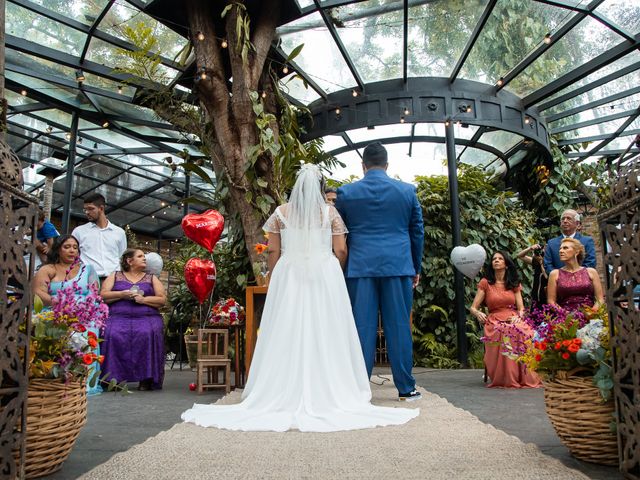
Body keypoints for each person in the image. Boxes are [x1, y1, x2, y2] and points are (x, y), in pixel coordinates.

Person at [181, 164, 419, 432]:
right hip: (324, 274)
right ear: (320, 188)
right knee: (326, 330)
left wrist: (273, 275)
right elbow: (340, 250)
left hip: (290, 273)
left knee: (286, 329)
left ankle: (280, 387)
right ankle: (331, 387)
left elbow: (273, 250)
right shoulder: (330, 213)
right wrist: (333, 269)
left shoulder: (281, 213)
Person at [335, 142, 424, 402]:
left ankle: (359, 389)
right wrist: (415, 266)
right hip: (398, 265)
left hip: (360, 266)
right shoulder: (407, 191)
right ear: (387, 165)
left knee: (361, 326)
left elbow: (339, 235)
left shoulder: (346, 193)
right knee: (399, 326)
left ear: (362, 166)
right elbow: (417, 232)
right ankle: (406, 389)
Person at [32, 235, 103, 395]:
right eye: (67, 247)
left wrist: (82, 310)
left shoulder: (87, 270)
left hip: (83, 317)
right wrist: (60, 305)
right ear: (58, 249)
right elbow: (38, 292)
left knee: (88, 329)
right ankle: (59, 383)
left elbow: (95, 294)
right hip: (55, 313)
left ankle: (84, 381)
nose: (72, 250)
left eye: (75, 247)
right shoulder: (47, 269)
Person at [470, 251, 541, 389]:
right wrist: (477, 313)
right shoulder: (486, 283)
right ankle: (507, 377)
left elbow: (521, 308)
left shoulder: (513, 283)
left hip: (512, 317)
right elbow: (473, 307)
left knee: (524, 332)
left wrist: (518, 317)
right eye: (494, 259)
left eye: (500, 258)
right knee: (505, 332)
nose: (496, 260)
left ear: (506, 264)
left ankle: (523, 376)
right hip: (494, 320)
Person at [100, 249, 166, 390]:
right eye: (140, 256)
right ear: (129, 261)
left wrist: (144, 299)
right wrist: (121, 294)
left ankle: (146, 378)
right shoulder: (115, 275)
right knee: (112, 333)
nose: (144, 259)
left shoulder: (151, 278)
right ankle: (113, 379)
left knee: (146, 332)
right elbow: (103, 295)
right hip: (118, 316)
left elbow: (162, 299)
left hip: (146, 316)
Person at [72, 193, 127, 283]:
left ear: (101, 208)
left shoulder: (119, 232)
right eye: (85, 209)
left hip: (115, 281)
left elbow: (121, 257)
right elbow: (74, 257)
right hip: (88, 280)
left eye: (90, 209)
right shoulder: (79, 231)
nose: (87, 212)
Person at [547, 238, 604, 311]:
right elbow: (551, 302)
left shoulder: (591, 272)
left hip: (591, 316)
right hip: (565, 318)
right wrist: (567, 315)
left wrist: (591, 313)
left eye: (565, 248)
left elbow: (600, 300)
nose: (561, 251)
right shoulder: (555, 274)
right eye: (560, 249)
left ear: (576, 252)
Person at [543, 209, 596, 274]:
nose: (565, 221)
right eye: (563, 219)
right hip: (558, 282)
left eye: (569, 218)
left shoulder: (587, 241)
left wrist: (576, 278)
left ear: (577, 224)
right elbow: (548, 265)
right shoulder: (551, 243)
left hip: (581, 281)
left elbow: (590, 262)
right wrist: (560, 278)